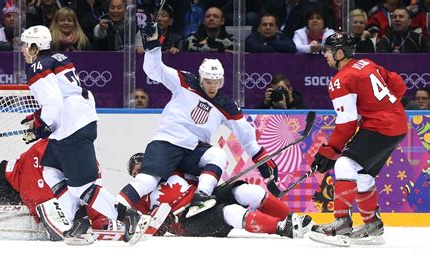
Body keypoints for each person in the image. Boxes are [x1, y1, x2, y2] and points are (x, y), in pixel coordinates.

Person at [118, 17, 278, 219]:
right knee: (148, 181)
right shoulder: (184, 81)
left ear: (222, 81)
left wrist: (260, 157)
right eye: (208, 81)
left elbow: (245, 133)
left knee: (218, 155)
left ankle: (200, 198)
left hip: (194, 149)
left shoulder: (226, 105)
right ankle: (118, 210)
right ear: (200, 78)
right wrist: (152, 48)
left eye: (216, 82)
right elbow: (154, 70)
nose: (212, 86)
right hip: (168, 142)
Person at [19, 25, 146, 243]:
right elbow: (64, 95)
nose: (22, 50)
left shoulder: (37, 66)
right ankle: (79, 220)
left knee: (82, 186)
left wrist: (40, 126)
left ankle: (127, 216)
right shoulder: (58, 58)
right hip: (74, 123)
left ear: (34, 46)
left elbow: (53, 101)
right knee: (51, 170)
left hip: (72, 128)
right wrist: (39, 117)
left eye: (24, 45)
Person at [310, 32, 407, 245]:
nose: (324, 54)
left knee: (345, 164)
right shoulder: (367, 63)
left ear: (340, 53)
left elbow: (347, 122)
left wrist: (331, 149)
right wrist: (382, 107)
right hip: (398, 124)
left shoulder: (340, 80)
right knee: (363, 172)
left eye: (328, 51)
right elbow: (399, 85)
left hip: (380, 127)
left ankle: (342, 223)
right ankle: (372, 225)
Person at [128, 152, 312, 238]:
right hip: (188, 223)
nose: (141, 174)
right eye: (136, 173)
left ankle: (294, 218)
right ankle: (282, 228)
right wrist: (161, 223)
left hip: (203, 202)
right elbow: (147, 230)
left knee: (248, 191)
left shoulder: (176, 172)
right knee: (230, 212)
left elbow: (205, 178)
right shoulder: (140, 197)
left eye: (143, 167)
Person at [0, 139, 112, 239]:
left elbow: (95, 197)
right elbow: (33, 194)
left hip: (30, 190)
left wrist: (100, 224)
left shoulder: (89, 165)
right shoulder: (45, 153)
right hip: (6, 185)